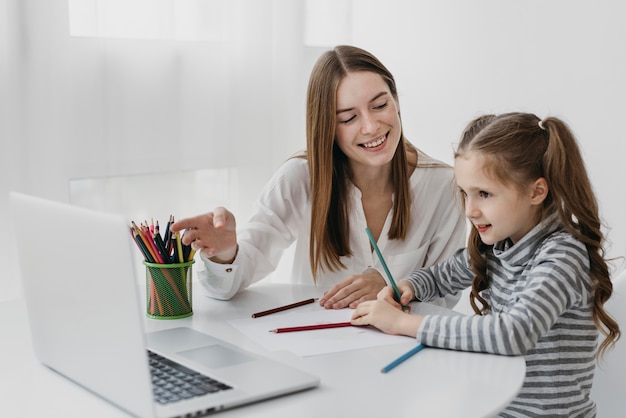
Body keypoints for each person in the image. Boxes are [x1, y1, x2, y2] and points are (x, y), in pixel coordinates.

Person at [351, 112, 621, 417]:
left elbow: (512, 333)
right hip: (496, 407)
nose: (470, 210)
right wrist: (408, 286)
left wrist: (402, 324)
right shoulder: (497, 243)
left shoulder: (562, 256)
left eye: (484, 194)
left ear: (536, 191)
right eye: (465, 193)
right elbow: (441, 276)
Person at [170, 45, 466, 309]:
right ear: (327, 126)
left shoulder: (444, 186)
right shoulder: (301, 176)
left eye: (380, 105)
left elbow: (445, 298)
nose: (371, 126)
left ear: (396, 101)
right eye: (348, 118)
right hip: (316, 351)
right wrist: (225, 254)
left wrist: (395, 290)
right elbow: (234, 279)